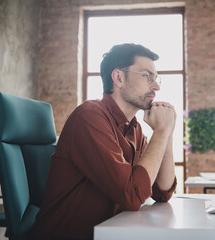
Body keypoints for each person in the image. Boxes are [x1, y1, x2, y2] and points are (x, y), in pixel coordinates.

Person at [33, 43, 177, 240]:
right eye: (146, 76)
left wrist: (166, 130)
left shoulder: (134, 127)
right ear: (118, 77)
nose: (156, 86)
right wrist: (160, 131)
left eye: (156, 78)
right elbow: (133, 196)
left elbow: (161, 192)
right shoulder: (89, 116)